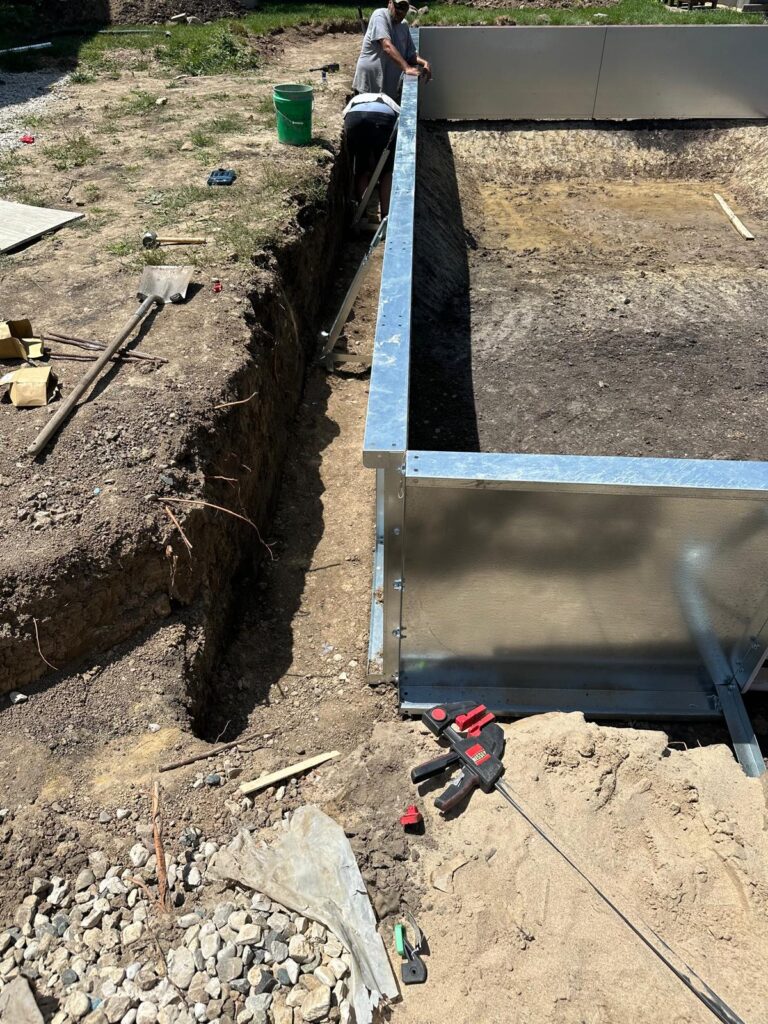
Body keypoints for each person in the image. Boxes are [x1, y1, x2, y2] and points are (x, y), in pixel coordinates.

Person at [353, 0, 432, 101]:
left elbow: (410, 54)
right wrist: (407, 68)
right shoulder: (380, 16)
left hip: (388, 90)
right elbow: (387, 46)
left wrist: (424, 63)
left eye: (403, 7)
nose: (400, 11)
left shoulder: (404, 26)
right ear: (390, 3)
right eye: (397, 6)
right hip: (369, 86)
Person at [343, 92, 399, 220]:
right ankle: (386, 216)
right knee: (386, 170)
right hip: (383, 118)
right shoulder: (389, 101)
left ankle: (362, 215)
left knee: (360, 168)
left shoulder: (356, 99)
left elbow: (344, 117)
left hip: (354, 118)